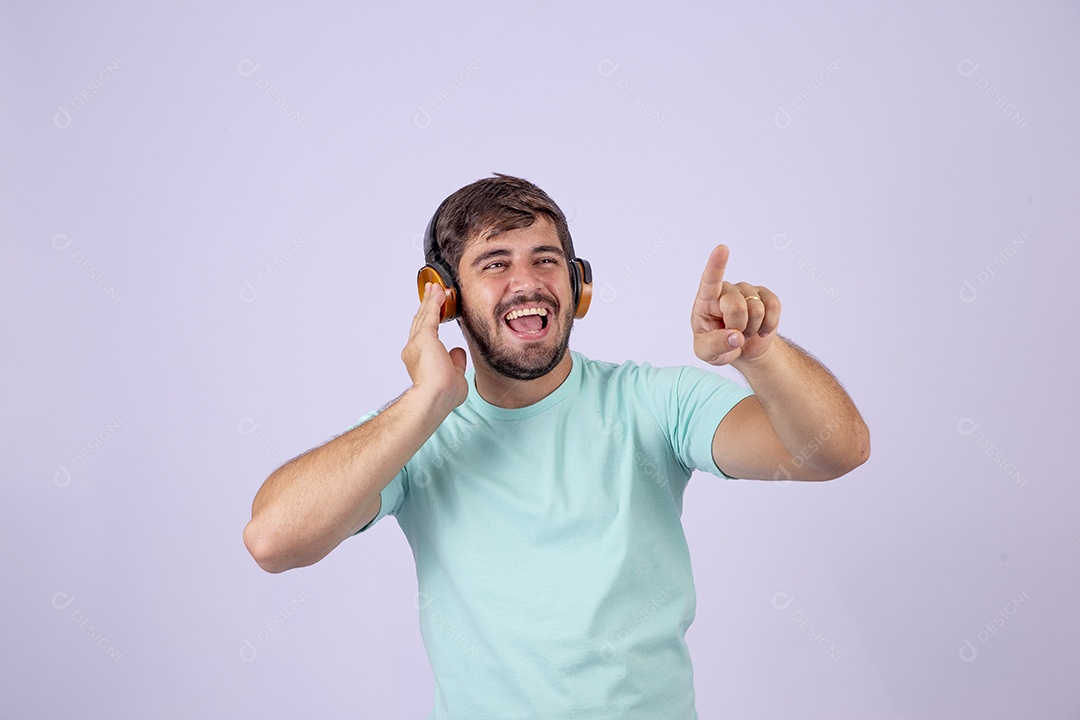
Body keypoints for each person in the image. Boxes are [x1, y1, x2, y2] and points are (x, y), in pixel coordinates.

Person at [243, 173, 870, 718]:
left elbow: (834, 452)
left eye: (546, 260)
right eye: (496, 263)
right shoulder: (411, 434)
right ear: (445, 296)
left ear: (579, 286)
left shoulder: (655, 403)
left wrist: (759, 353)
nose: (528, 282)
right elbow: (272, 541)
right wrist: (424, 401)